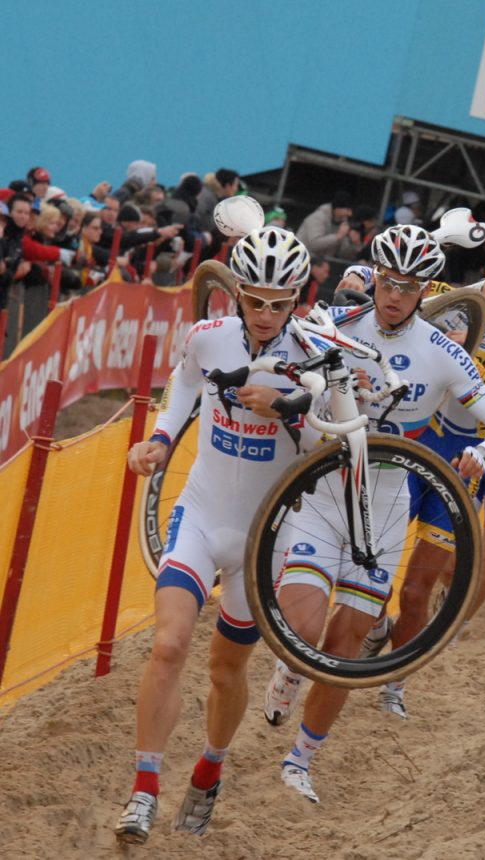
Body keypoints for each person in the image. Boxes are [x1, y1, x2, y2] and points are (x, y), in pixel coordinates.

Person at [260, 224, 485, 802]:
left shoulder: (442, 350)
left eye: (410, 284)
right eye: (388, 280)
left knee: (348, 640)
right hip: (326, 495)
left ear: (428, 287)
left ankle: (301, 760)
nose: (396, 293)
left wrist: (483, 450)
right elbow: (278, 358)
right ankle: (290, 663)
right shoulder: (337, 326)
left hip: (386, 505)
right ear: (375, 276)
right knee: (303, 627)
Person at [113, 227, 316, 844]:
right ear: (237, 293)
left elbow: (324, 446)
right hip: (201, 513)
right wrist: (158, 440)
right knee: (169, 645)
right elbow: (183, 391)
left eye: (279, 303)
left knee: (227, 670)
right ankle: (143, 790)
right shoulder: (209, 337)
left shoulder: (313, 354)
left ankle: (208, 769)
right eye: (255, 300)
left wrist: (286, 409)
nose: (265, 315)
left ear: (298, 299)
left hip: (264, 538)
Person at [366, 232, 485, 718]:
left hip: (462, 467)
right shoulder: (440, 297)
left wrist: (465, 363)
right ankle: (374, 630)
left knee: (416, 589)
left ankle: (394, 683)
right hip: (414, 445)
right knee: (372, 570)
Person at [296, 190, 354, 258]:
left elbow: (342, 253)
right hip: (301, 257)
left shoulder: (342, 222)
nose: (350, 214)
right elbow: (314, 244)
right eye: (347, 210)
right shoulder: (318, 217)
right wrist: (337, 237)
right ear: (338, 208)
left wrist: (352, 242)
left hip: (321, 263)